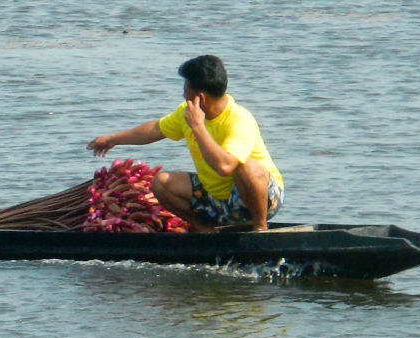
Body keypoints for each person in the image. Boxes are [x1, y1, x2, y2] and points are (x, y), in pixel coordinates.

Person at [85, 55, 283, 232]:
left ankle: (259, 228)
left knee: (246, 167)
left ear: (200, 98)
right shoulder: (185, 113)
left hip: (261, 200)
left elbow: (225, 166)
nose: (183, 96)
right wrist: (112, 139)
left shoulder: (239, 119)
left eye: (185, 91)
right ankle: (205, 230)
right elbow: (155, 129)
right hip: (216, 200)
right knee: (161, 182)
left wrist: (198, 127)